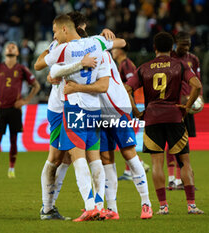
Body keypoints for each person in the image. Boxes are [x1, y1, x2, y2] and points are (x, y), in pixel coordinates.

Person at [48, 11, 152, 220]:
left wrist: (110, 38)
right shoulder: (93, 45)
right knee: (105, 158)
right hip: (97, 110)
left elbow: (120, 46)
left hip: (117, 107)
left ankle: (146, 203)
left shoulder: (96, 45)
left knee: (128, 153)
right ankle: (110, 208)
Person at [34, 14, 111, 222]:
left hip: (74, 106)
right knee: (57, 158)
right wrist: (51, 49)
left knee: (71, 158)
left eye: (55, 32)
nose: (54, 35)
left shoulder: (82, 45)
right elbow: (42, 67)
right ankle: (48, 207)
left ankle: (89, 206)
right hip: (59, 108)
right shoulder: (58, 46)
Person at [125, 32, 204, 215]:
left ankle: (163, 206)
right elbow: (197, 85)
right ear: (171, 48)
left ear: (154, 48)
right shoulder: (180, 65)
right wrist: (187, 106)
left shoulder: (144, 67)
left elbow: (127, 88)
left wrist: (136, 111)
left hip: (152, 118)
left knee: (156, 164)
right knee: (184, 162)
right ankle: (191, 205)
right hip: (175, 116)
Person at [0, 41, 40, 179]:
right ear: (4, 51)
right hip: (1, 109)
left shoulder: (21, 69)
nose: (10, 47)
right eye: (8, 46)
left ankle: (11, 170)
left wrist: (25, 101)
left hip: (15, 109)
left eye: (13, 47)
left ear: (17, 53)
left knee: (14, 140)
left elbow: (36, 85)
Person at [168, 31, 203, 190]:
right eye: (184, 44)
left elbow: (198, 81)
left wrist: (199, 98)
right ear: (176, 43)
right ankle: (172, 178)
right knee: (173, 141)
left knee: (184, 142)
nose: (187, 47)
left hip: (188, 106)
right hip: (174, 106)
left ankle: (181, 179)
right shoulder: (170, 58)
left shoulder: (193, 59)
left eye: (188, 44)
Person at [111, 45, 150, 181]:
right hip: (127, 103)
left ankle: (138, 164)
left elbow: (130, 85)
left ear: (121, 50)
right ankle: (130, 169)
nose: (112, 52)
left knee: (125, 137)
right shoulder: (123, 64)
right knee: (126, 137)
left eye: (114, 49)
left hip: (128, 104)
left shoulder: (126, 64)